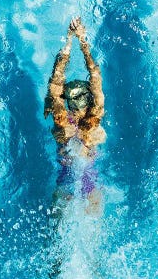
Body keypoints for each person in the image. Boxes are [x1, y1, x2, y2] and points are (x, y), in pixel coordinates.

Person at [44, 17, 106, 212]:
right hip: (91, 190)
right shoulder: (93, 121)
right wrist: (82, 42)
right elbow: (96, 79)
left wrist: (69, 41)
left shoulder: (62, 122)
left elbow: (54, 85)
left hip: (64, 188)